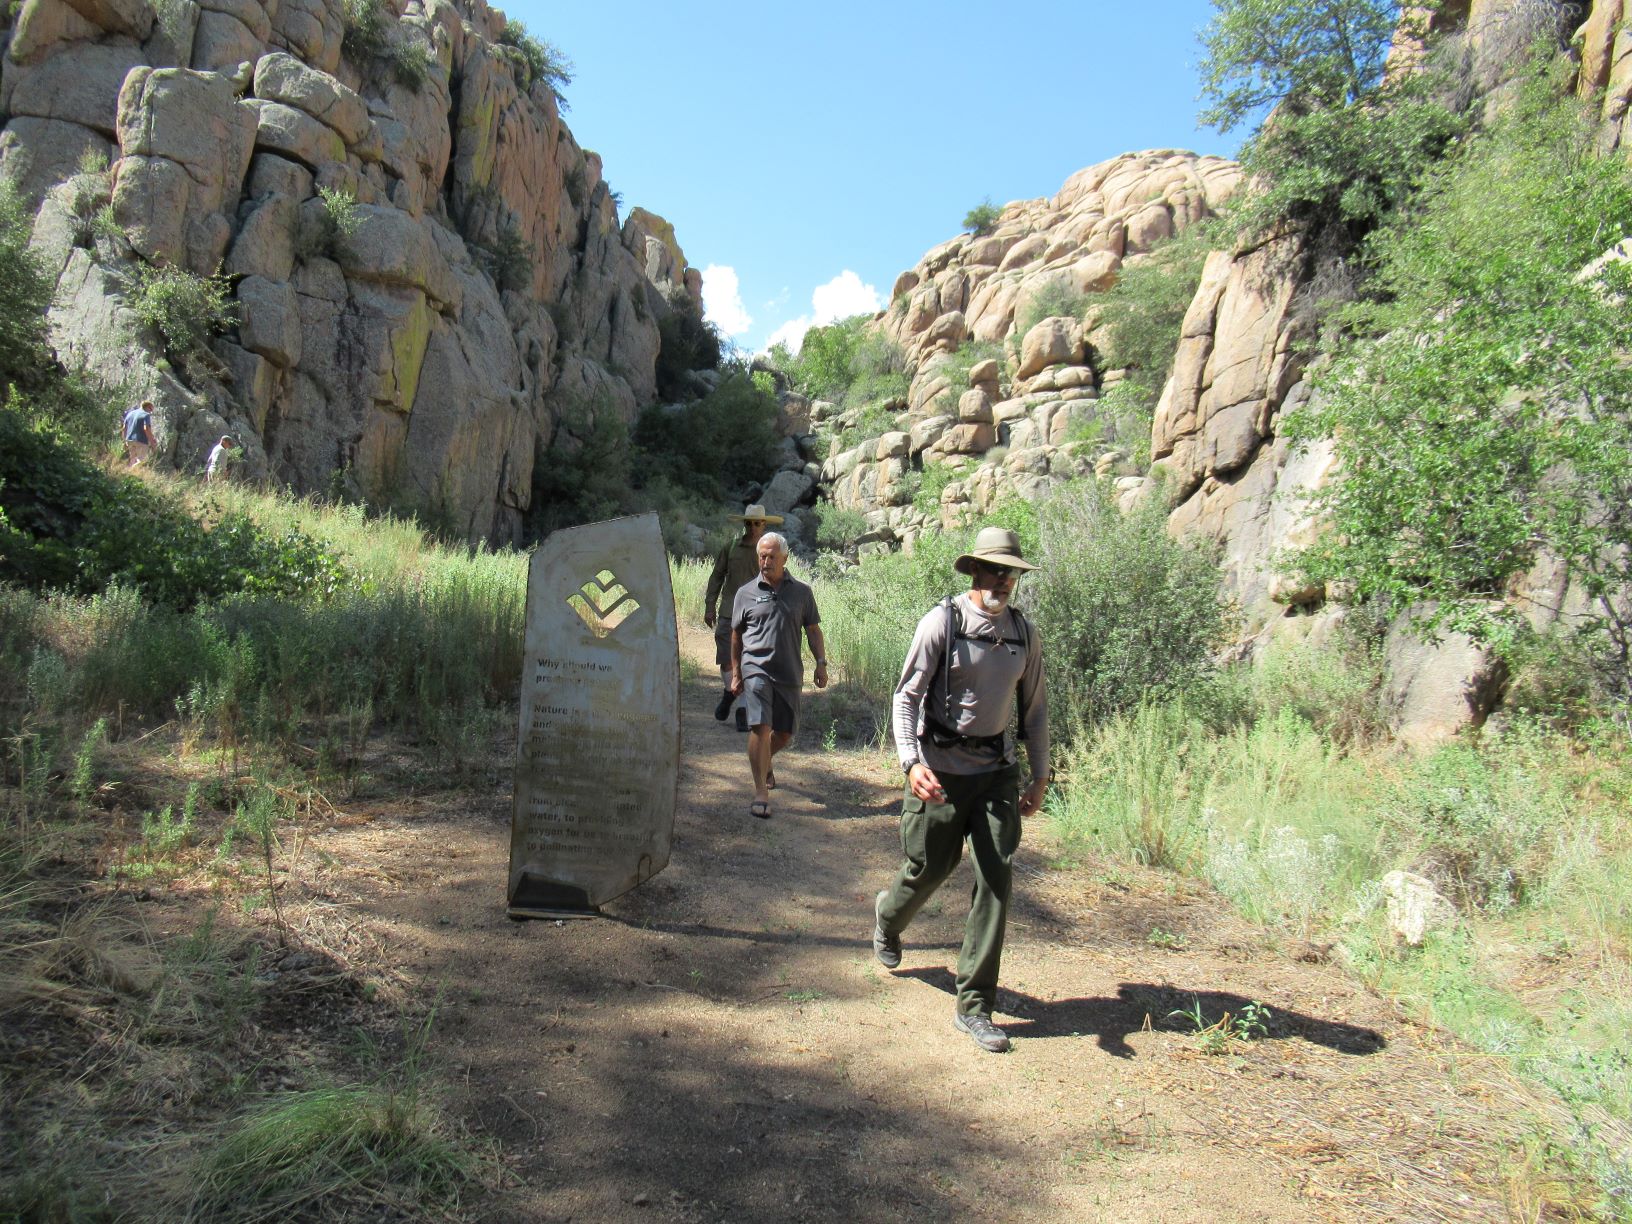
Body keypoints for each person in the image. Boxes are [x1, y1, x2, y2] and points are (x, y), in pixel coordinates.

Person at [870, 526, 1049, 1054]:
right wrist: (910, 764)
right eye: (994, 569)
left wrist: (1039, 776)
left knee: (997, 879)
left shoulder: (1024, 634)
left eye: (1010, 572)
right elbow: (906, 698)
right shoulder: (941, 623)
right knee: (930, 868)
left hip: (996, 773)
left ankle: (974, 1005)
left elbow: (1035, 710)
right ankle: (888, 917)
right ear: (973, 571)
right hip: (940, 772)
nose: (1003, 580)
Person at [729, 531, 827, 819]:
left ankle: (765, 759)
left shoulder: (802, 592)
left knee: (784, 733)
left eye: (772, 556)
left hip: (789, 671)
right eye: (762, 556)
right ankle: (761, 791)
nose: (766, 561)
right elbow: (736, 635)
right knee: (760, 725)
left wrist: (821, 662)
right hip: (756, 668)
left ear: (785, 558)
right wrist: (736, 672)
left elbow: (813, 630)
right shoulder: (745, 593)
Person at [704, 504, 781, 731]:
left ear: (764, 525)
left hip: (759, 614)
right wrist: (710, 605)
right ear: (744, 524)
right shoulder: (731, 548)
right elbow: (716, 576)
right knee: (726, 659)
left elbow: (779, 580)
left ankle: (743, 708)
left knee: (753, 661)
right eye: (748, 522)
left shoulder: (769, 552)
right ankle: (730, 692)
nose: (752, 526)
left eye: (757, 523)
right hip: (729, 611)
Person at [121, 400, 156, 466]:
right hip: (141, 441)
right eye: (151, 409)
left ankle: (127, 474)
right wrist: (152, 442)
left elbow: (124, 428)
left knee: (133, 460)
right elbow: (146, 429)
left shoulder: (130, 413)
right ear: (148, 407)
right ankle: (130, 470)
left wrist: (125, 441)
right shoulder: (146, 415)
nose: (151, 412)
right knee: (142, 461)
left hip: (129, 440)